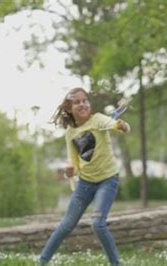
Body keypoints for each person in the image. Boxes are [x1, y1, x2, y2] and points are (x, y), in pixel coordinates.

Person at [40, 87, 130, 266]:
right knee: (66, 225)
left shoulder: (98, 120)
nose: (82, 104)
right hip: (85, 184)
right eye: (77, 102)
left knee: (97, 223)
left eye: (85, 100)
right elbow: (72, 159)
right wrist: (70, 170)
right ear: (69, 109)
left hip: (107, 180)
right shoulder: (70, 133)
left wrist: (121, 125)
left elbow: (113, 124)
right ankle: (42, 262)